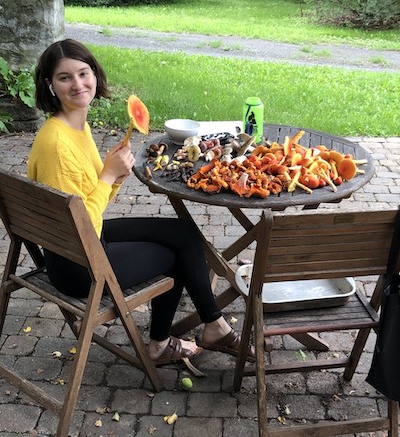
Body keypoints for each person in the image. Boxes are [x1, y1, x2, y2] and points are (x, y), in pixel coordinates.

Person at [27, 39, 255, 367]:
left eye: (83, 73)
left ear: (95, 74)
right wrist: (107, 177)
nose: (77, 84)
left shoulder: (75, 126)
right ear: (49, 85)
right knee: (174, 258)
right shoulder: (56, 145)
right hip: (77, 265)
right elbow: (80, 226)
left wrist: (114, 177)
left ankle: (213, 326)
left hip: (84, 241)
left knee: (184, 234)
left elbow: (91, 202)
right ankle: (165, 344)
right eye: (65, 77)